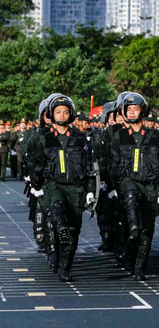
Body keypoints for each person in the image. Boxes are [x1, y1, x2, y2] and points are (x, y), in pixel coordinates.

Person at [27, 95, 96, 282]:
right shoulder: (44, 138)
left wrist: (91, 190)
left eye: (65, 112)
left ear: (71, 114)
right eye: (58, 112)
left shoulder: (80, 138)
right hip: (53, 184)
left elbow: (90, 166)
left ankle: (64, 267)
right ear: (52, 114)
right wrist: (35, 183)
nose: (62, 115)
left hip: (76, 187)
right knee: (56, 210)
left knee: (73, 230)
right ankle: (59, 232)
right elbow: (34, 162)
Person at [109, 93, 159, 280]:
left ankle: (139, 266)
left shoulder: (154, 136)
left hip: (150, 184)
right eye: (129, 109)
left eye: (136, 109)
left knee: (147, 228)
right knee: (131, 200)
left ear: (143, 111)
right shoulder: (119, 136)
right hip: (128, 181)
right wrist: (114, 186)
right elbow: (113, 163)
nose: (132, 112)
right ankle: (132, 231)